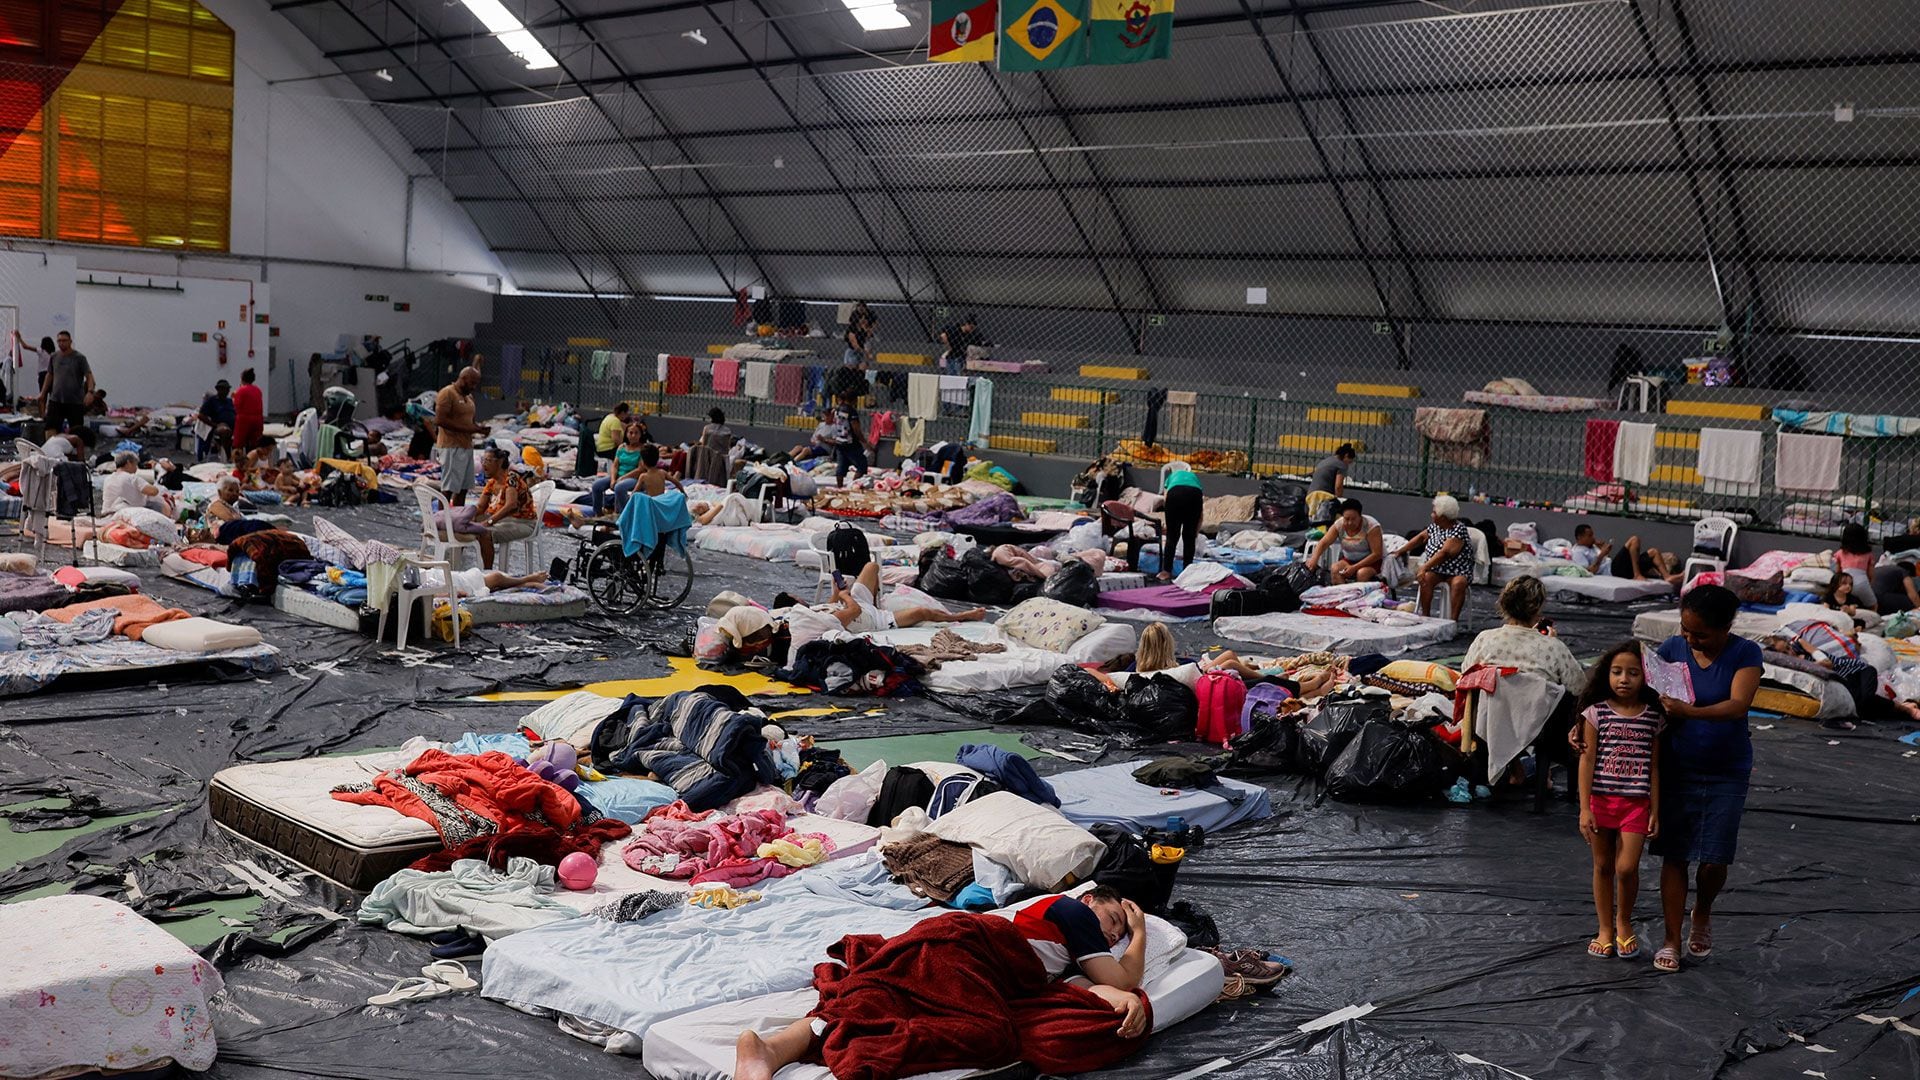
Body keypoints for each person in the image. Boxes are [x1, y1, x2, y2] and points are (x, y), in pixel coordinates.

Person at [733, 886, 1150, 1080]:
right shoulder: (1072, 912)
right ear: (1088, 900)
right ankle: (772, 1051)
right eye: (1113, 922)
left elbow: (1095, 985)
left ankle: (767, 1051)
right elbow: (1124, 976)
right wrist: (1140, 930)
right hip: (970, 947)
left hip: (953, 945)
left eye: (1119, 935)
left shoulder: (1062, 947)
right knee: (990, 1035)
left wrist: (1117, 997)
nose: (1113, 937)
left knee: (874, 998)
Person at [1569, 584, 1759, 974]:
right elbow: (1623, 680)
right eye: (1686, 630)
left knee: (1715, 858)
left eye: (1700, 634)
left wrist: (1690, 712)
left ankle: (1702, 910)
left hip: (1726, 768)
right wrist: (1583, 727)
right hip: (1675, 765)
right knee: (1675, 855)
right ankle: (1672, 939)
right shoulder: (1671, 650)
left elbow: (1738, 705)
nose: (1690, 639)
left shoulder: (1746, 653)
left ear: (1725, 628)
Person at [1576, 641, 1664, 961]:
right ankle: (1604, 929)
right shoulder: (1596, 713)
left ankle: (1623, 922)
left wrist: (1655, 807)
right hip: (1601, 801)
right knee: (1602, 865)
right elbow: (1586, 761)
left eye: (1632, 673)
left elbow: (1654, 765)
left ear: (1645, 677)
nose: (1623, 679)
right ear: (1606, 675)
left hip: (1636, 804)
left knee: (1626, 868)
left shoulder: (1653, 717)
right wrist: (1585, 808)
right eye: (1616, 672)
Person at [774, 560, 985, 657]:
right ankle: (962, 615)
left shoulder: (814, 610)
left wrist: (838, 591)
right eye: (796, 598)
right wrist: (846, 596)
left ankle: (873, 598)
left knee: (871, 566)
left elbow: (832, 605)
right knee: (921, 613)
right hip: (870, 617)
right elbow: (853, 611)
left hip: (857, 604)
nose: (800, 599)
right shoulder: (813, 622)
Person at [1461, 575, 1587, 690]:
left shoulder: (1484, 639)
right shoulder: (1554, 648)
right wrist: (1551, 642)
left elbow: (1465, 674)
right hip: (1540, 714)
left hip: (1488, 714)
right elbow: (1578, 687)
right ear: (1538, 608)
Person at [1406, 494, 1474, 620]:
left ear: (1442, 516)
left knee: (1459, 583)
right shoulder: (1435, 527)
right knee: (1426, 579)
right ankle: (1426, 616)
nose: (1431, 515)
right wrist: (1400, 551)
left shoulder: (1459, 529)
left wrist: (1424, 567)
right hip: (1437, 569)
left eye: (1434, 512)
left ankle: (1453, 621)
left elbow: (1444, 553)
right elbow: (1420, 538)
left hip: (1457, 571)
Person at [471, 445, 535, 570]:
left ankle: (487, 573)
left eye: (488, 461)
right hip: (503, 521)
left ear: (499, 462)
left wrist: (488, 522)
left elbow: (511, 505)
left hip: (523, 523)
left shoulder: (512, 478)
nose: (484, 465)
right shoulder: (491, 483)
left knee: (485, 533)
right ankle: (453, 569)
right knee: (464, 526)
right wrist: (466, 518)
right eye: (483, 460)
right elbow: (480, 507)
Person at [434, 366, 489, 505]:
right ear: (463, 379)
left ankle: (457, 517)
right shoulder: (447, 393)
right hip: (451, 446)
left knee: (464, 488)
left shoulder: (469, 397)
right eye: (472, 383)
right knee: (449, 487)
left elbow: (470, 421)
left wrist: (478, 428)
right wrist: (469, 429)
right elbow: (440, 420)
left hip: (466, 446)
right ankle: (443, 519)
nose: (474, 387)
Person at [1307, 499, 1385, 584]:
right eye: (1347, 519)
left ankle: (1359, 596)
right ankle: (1343, 595)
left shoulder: (1371, 526)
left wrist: (1354, 567)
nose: (1350, 523)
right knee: (1335, 568)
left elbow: (1377, 554)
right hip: (1349, 559)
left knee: (1362, 573)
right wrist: (1314, 559)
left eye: (1354, 519)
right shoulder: (1339, 525)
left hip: (1372, 562)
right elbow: (1323, 543)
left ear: (1360, 516)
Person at [590, 422, 650, 517]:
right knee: (596, 486)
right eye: (630, 433)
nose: (633, 435)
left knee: (619, 487)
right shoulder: (621, 447)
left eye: (636, 433)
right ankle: (598, 513)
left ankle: (623, 514)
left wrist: (622, 478)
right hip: (619, 476)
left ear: (641, 435)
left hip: (634, 478)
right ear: (626, 434)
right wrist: (613, 479)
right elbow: (615, 465)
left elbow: (640, 469)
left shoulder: (643, 449)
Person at [39, 331, 93, 435]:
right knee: (50, 427)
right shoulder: (54, 356)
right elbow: (49, 375)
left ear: (70, 341)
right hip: (56, 399)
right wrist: (42, 393)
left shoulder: (79, 358)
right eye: (59, 341)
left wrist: (90, 392)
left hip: (75, 401)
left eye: (64, 341)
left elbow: (89, 376)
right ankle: (51, 449)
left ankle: (75, 450)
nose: (61, 343)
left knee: (76, 430)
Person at [1158, 466, 1203, 581]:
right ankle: (1187, 572)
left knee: (1172, 537)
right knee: (1189, 537)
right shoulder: (1194, 477)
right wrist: (1196, 532)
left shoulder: (1170, 478)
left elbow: (1166, 497)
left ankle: (1166, 571)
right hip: (1195, 495)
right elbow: (1201, 512)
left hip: (1175, 494)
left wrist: (1168, 522)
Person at [101, 453, 173, 514]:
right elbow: (154, 491)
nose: (136, 468)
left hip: (106, 512)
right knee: (156, 502)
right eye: (135, 465)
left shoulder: (108, 478)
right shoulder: (132, 478)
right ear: (129, 463)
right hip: (124, 513)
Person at [1833, 523, 1878, 607]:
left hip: (1844, 584)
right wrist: (1868, 587)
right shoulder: (1868, 554)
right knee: (1874, 605)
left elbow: (1838, 573)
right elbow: (1871, 575)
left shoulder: (1840, 553)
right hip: (1862, 583)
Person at [193, 378, 236, 461]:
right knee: (224, 431)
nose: (226, 391)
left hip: (233, 426)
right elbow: (201, 415)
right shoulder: (212, 401)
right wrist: (214, 424)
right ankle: (229, 457)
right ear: (218, 390)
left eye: (227, 389)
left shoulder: (229, 401)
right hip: (220, 425)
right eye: (224, 389)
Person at [231, 368, 265, 466]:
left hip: (244, 420)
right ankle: (253, 463)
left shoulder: (241, 391)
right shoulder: (258, 390)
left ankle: (238, 464)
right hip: (258, 420)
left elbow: (237, 406)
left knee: (238, 444)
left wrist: (234, 397)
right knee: (254, 443)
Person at [833, 395, 869, 486]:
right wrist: (864, 441)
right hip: (851, 442)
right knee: (862, 464)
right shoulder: (851, 412)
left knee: (841, 465)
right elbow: (855, 428)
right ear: (854, 400)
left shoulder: (838, 410)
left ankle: (839, 487)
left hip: (840, 441)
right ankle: (854, 484)